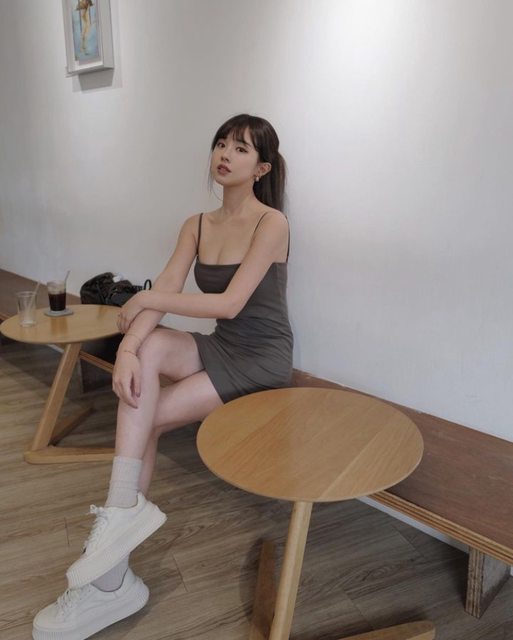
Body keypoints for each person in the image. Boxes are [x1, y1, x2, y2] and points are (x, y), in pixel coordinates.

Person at [32, 113, 293, 640]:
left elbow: (229, 303)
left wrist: (146, 300)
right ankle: (118, 536)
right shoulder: (196, 224)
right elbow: (169, 283)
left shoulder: (272, 224)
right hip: (222, 345)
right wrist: (129, 348)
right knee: (147, 351)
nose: (225, 154)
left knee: (144, 416)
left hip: (260, 358)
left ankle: (111, 567)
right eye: (221, 143)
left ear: (261, 168)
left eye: (241, 148)